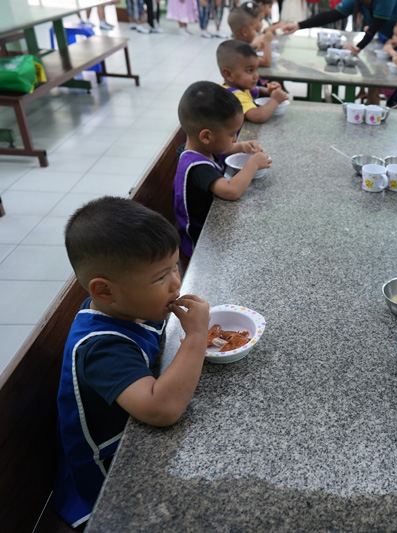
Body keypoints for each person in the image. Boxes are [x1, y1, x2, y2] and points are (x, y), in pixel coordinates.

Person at [52, 197, 211, 528]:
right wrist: (196, 336)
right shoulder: (101, 348)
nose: (176, 282)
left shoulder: (128, 306)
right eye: (160, 277)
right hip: (107, 474)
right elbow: (162, 410)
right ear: (105, 291)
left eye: (175, 266)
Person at [174, 81, 271, 257]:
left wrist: (241, 146)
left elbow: (220, 150)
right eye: (232, 134)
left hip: (214, 226)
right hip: (201, 245)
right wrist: (253, 164)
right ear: (206, 136)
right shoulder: (197, 168)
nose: (234, 139)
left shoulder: (198, 148)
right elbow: (230, 191)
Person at [279, 0, 397, 55]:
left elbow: (375, 26)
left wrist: (357, 48)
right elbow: (332, 15)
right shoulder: (357, 1)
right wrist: (299, 25)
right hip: (396, 37)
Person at [217, 40, 288, 123]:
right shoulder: (233, 96)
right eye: (249, 70)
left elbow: (258, 91)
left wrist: (269, 91)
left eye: (256, 69)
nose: (256, 75)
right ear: (228, 74)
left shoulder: (242, 87)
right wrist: (275, 100)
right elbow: (258, 116)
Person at [229, 3, 274, 67]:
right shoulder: (242, 52)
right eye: (254, 29)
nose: (255, 32)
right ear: (245, 32)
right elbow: (266, 62)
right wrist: (267, 42)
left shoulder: (237, 46)